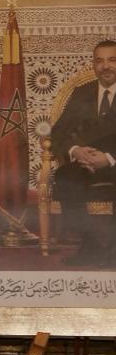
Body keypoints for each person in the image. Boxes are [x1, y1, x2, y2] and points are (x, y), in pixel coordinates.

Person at [52, 39, 116, 265]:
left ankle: (113, 251)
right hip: (85, 162)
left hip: (113, 163)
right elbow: (57, 132)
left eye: (112, 60)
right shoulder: (82, 93)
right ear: (94, 64)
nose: (105, 66)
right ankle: (89, 246)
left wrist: (109, 158)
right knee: (65, 176)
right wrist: (75, 150)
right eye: (99, 61)